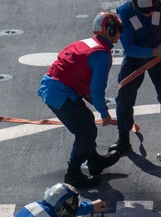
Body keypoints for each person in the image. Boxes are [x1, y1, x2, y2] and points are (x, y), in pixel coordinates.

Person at [38, 12, 123, 188]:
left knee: (86, 123)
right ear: (111, 30)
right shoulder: (102, 55)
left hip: (54, 87)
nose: (120, 33)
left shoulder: (88, 43)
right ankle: (73, 174)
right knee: (86, 132)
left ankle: (94, 161)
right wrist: (104, 113)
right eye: (119, 29)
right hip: (60, 92)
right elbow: (97, 90)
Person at [112, 0, 161, 154]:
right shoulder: (124, 13)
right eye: (144, 13)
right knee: (124, 97)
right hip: (135, 58)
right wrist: (151, 52)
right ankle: (123, 139)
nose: (148, 15)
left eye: (151, 12)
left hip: (160, 56)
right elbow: (129, 48)